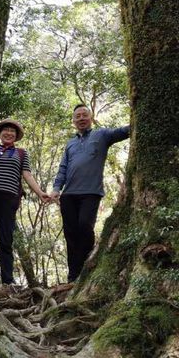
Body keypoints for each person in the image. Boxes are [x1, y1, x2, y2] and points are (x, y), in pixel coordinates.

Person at [50, 104, 130, 282]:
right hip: (69, 194)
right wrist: (56, 189)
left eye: (84, 115)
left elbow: (123, 131)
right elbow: (63, 168)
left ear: (91, 117)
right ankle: (73, 276)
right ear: (73, 121)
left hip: (91, 192)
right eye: (77, 116)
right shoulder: (70, 144)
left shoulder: (101, 135)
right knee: (70, 234)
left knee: (85, 226)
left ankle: (86, 271)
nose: (81, 118)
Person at [0, 118, 49, 286]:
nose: (9, 133)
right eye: (5, 130)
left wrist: (41, 193)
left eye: (12, 131)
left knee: (6, 240)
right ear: (0, 133)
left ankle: (8, 280)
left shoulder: (21, 153)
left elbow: (27, 175)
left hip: (9, 199)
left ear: (16, 135)